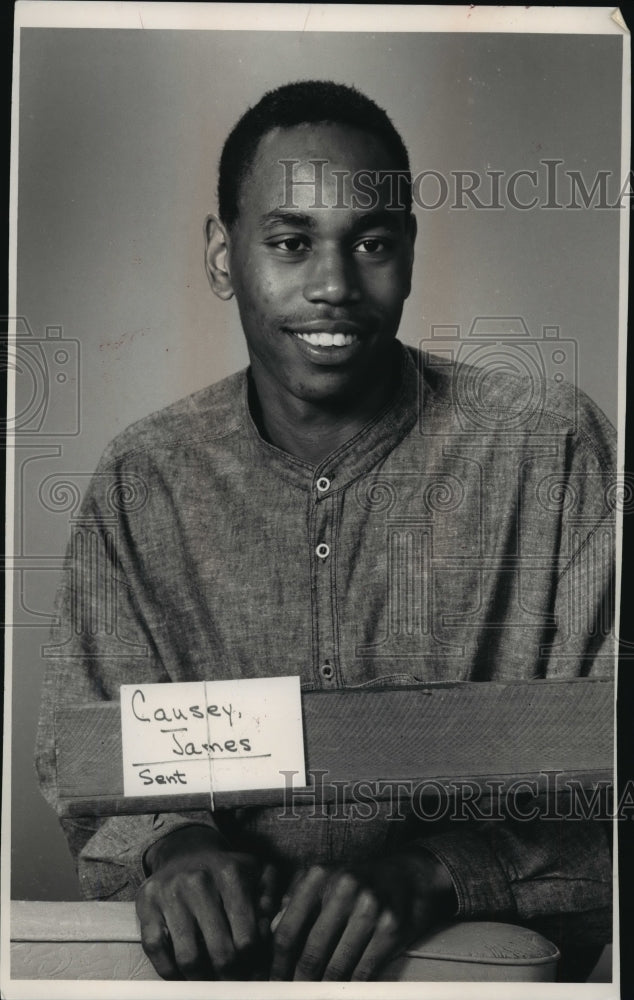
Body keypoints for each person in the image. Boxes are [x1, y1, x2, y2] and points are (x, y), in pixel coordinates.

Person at [35, 80, 615, 983]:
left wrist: (436, 874)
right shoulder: (141, 481)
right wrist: (176, 845)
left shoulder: (551, 448)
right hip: (230, 970)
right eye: (291, 243)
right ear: (224, 258)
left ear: (411, 254)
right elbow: (95, 759)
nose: (336, 285)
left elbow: (615, 769)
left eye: (372, 243)